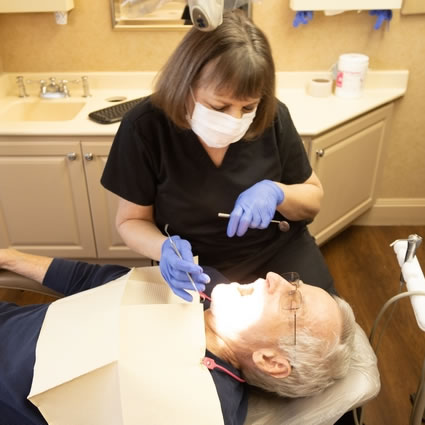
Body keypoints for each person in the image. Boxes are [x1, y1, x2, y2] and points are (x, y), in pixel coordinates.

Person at [100, 10, 334, 302]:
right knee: (215, 343)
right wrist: (164, 248)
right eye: (220, 107)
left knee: (321, 331)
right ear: (184, 86)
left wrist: (278, 192)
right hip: (197, 264)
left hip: (279, 253)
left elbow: (313, 199)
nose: (234, 119)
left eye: (247, 108)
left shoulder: (272, 116)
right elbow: (131, 221)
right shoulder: (145, 128)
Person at [0, 248, 356, 425]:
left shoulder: (204, 408)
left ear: (271, 361)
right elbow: (89, 279)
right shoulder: (199, 284)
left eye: (291, 301)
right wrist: (10, 258)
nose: (275, 278)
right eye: (293, 282)